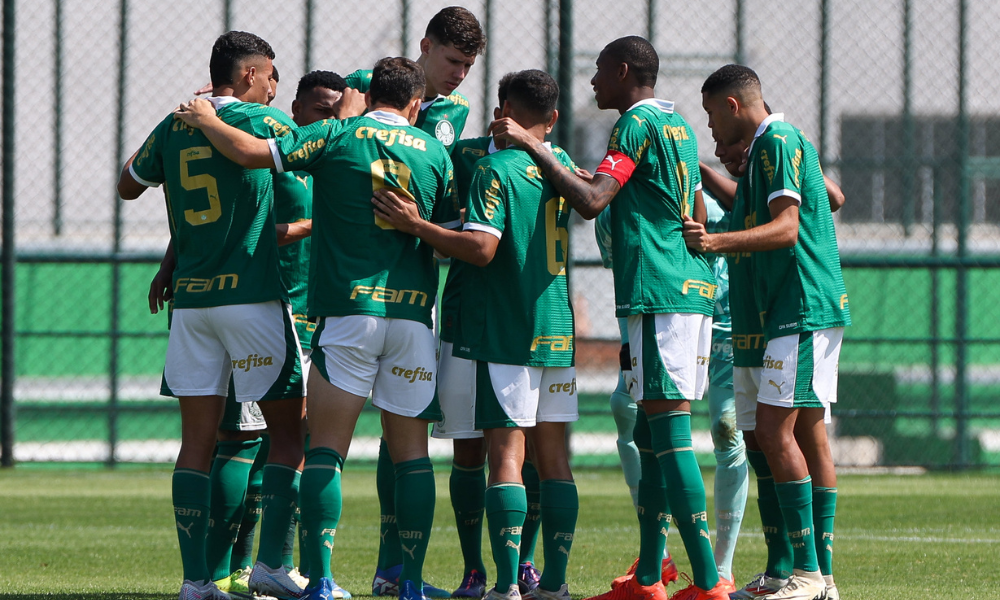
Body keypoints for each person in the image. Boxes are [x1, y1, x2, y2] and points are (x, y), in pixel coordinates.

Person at [174, 56, 459, 600]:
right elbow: (448, 233)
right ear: (416, 103)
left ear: (369, 93)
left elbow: (252, 152)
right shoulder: (437, 152)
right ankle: (411, 585)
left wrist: (208, 117)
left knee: (324, 449)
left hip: (347, 315)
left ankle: (322, 580)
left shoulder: (336, 135)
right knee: (413, 458)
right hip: (413, 317)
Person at [491, 36, 728, 600]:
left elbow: (593, 198)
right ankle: (648, 577)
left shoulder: (635, 126)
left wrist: (532, 145)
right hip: (685, 291)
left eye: (599, 72)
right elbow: (691, 207)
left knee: (669, 435)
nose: (593, 83)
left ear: (623, 72)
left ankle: (711, 584)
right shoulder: (680, 127)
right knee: (649, 434)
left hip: (659, 296)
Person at [372, 68, 580, 600]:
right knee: (536, 455)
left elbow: (479, 248)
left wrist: (418, 224)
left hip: (496, 329)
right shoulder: (561, 167)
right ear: (552, 119)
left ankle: (510, 580)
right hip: (549, 325)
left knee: (504, 456)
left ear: (503, 109)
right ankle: (526, 579)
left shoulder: (493, 167)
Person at [117, 31, 307, 600]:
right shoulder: (267, 126)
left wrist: (173, 121)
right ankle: (272, 565)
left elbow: (128, 185)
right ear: (249, 75)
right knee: (289, 437)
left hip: (193, 306)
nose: (275, 86)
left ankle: (195, 582)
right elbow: (300, 210)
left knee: (196, 445)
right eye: (272, 74)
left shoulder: (174, 124)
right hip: (252, 299)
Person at [688, 64, 851, 600]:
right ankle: (787, 568)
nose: (711, 131)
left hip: (799, 308)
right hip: (764, 313)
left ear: (733, 105)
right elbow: (829, 196)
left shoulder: (778, 138)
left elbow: (786, 228)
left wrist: (714, 244)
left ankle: (811, 572)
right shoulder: (769, 147)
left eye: (712, 116)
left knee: (789, 433)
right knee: (761, 436)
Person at [343, 9, 487, 596]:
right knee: (317, 434)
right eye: (452, 62)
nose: (459, 76)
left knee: (402, 432)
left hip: (414, 287)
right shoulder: (365, 84)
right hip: (350, 280)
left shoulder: (452, 113)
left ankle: (394, 565)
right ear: (425, 48)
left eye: (468, 66)